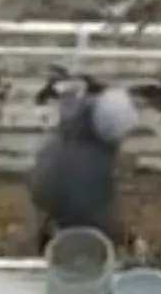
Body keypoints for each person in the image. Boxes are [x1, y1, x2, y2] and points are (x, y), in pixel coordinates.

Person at [29, 84, 139, 248]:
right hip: (64, 212)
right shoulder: (91, 164)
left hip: (45, 200)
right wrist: (126, 239)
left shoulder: (70, 130)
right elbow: (95, 215)